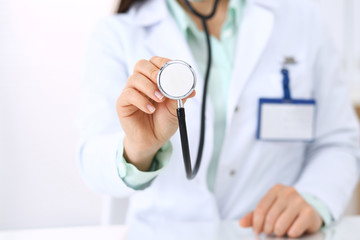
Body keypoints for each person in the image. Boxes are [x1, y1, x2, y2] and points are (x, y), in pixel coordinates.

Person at [78, 0, 360, 238]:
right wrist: (138, 147)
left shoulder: (300, 19)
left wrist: (314, 196)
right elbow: (92, 163)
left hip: (269, 232)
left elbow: (340, 141)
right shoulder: (118, 34)